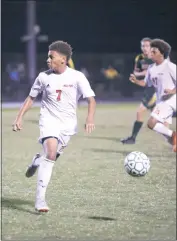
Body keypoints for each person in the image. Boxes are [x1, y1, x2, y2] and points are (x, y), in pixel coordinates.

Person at [12, 40, 96, 212]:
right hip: (48, 120)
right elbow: (31, 98)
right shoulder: (43, 76)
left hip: (68, 124)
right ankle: (40, 200)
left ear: (63, 59)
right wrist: (19, 117)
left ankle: (37, 160)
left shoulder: (77, 77)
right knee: (50, 154)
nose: (48, 60)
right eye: (48, 56)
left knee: (51, 157)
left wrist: (90, 118)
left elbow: (91, 99)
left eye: (52, 57)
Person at [129, 39, 176, 152]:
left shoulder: (169, 66)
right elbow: (146, 83)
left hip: (170, 100)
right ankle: (173, 141)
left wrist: (173, 91)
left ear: (162, 53)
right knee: (163, 131)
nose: (150, 53)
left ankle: (174, 135)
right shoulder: (151, 68)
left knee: (151, 123)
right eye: (151, 51)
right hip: (161, 101)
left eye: (154, 51)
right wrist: (136, 81)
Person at [121, 37, 155, 144]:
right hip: (148, 88)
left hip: (156, 90)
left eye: (147, 46)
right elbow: (136, 73)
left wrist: (147, 73)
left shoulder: (157, 57)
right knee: (157, 120)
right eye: (143, 46)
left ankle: (132, 138)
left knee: (140, 112)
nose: (144, 48)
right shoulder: (139, 58)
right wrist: (137, 77)